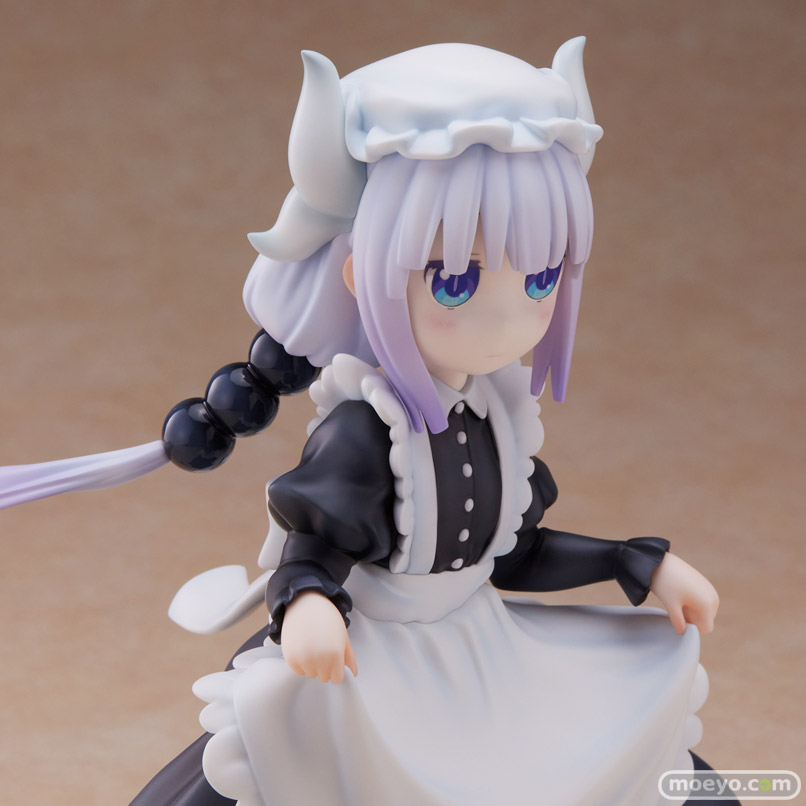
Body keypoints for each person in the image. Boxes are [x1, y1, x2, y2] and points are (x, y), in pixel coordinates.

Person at [1, 39, 724, 806]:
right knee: (273, 756)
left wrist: (633, 562)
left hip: (481, 654)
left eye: (542, 277)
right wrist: (309, 605)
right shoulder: (367, 431)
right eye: (454, 281)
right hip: (374, 662)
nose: (508, 319)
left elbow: (513, 553)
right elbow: (313, 552)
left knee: (617, 739)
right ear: (361, 274)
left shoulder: (498, 415)